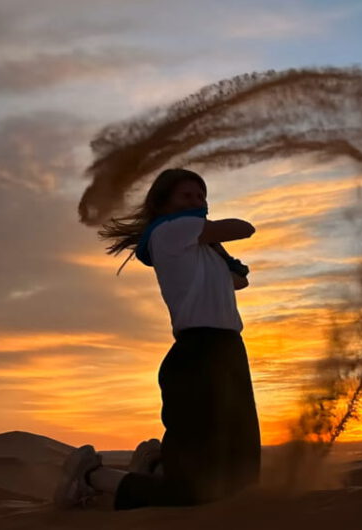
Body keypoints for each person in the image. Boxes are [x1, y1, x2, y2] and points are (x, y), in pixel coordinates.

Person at [53, 168, 262, 510]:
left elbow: (239, 282)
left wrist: (219, 252)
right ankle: (92, 476)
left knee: (242, 477)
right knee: (191, 494)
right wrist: (213, 238)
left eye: (201, 196)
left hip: (229, 351)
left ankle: (158, 466)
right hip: (198, 352)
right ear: (164, 204)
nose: (198, 203)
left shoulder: (199, 245)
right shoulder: (172, 230)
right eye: (187, 196)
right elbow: (244, 228)